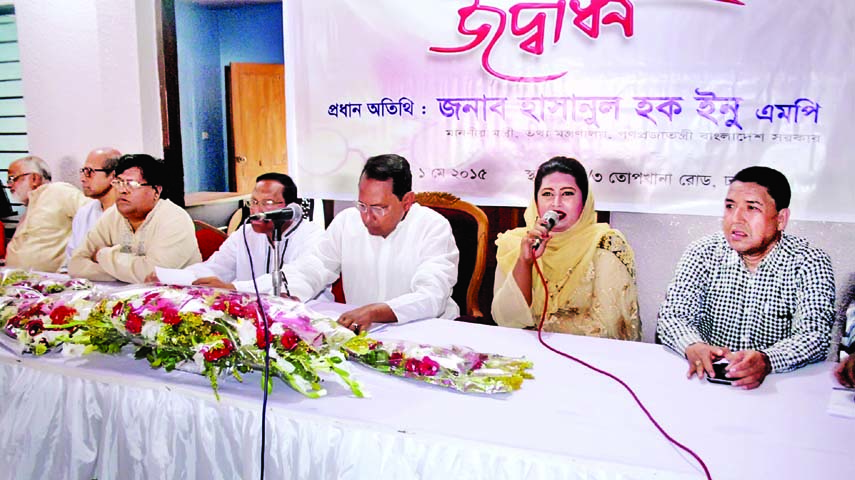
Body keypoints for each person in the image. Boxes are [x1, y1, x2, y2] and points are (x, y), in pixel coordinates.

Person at [657, 166, 835, 390]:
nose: (736, 219)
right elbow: (673, 315)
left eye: (752, 208)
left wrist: (767, 360)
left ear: (781, 218)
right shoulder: (702, 252)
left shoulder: (809, 262)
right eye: (730, 206)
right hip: (708, 384)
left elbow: (814, 336)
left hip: (777, 388)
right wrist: (693, 345)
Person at [262, 154, 459, 332]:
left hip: (425, 330)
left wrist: (376, 312)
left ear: (406, 201)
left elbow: (432, 295)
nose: (366, 217)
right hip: (362, 332)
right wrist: (291, 293)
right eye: (362, 205)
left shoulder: (433, 226)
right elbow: (315, 265)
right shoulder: (347, 221)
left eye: (379, 208)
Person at [492, 156, 641, 340]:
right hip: (524, 354)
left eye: (567, 193)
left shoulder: (607, 245)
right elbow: (505, 321)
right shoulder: (517, 243)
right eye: (547, 194)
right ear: (535, 200)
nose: (556, 203)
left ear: (584, 200)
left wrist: (536, 328)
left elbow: (608, 330)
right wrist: (525, 262)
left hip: (588, 359)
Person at [163, 173, 325, 290]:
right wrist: (173, 278)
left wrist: (233, 287)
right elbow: (216, 267)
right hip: (251, 313)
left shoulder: (312, 236)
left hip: (307, 313)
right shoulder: (246, 233)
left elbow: (295, 278)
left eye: (267, 202)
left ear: (290, 208)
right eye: (253, 201)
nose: (256, 209)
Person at [68, 154, 201, 283]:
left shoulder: (174, 219)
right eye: (119, 182)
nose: (122, 190)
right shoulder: (112, 215)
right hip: (121, 297)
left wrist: (102, 255)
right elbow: (76, 265)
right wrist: (128, 272)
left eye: (131, 184)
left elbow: (154, 274)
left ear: (156, 191)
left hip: (176, 299)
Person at [5, 155, 89, 272]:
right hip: (19, 282)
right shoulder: (31, 205)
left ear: (34, 178)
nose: (9, 185)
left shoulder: (58, 191)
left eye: (12, 178)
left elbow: (95, 217)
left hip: (50, 282)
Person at [64, 147, 122, 267]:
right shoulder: (84, 213)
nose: (83, 179)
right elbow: (72, 259)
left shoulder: (131, 213)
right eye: (83, 171)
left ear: (113, 175)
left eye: (89, 172)